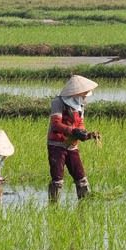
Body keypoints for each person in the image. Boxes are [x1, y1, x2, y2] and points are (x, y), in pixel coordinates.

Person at [46, 75, 100, 203]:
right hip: (57, 145)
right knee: (57, 180)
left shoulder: (80, 105)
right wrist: (73, 131)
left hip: (72, 146)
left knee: (81, 178)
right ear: (76, 91)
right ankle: (53, 206)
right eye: (84, 92)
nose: (86, 95)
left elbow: (80, 124)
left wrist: (86, 135)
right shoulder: (58, 102)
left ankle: (85, 204)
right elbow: (56, 124)